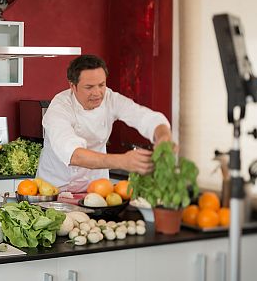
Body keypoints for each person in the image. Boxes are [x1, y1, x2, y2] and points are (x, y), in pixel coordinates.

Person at [36, 54, 173, 191]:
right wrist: (122, 161)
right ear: (73, 86)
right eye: (89, 87)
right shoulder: (59, 107)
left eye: (101, 85)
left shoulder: (110, 98)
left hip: (97, 189)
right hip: (53, 190)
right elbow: (73, 155)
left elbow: (146, 118)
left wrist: (163, 138)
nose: (97, 93)